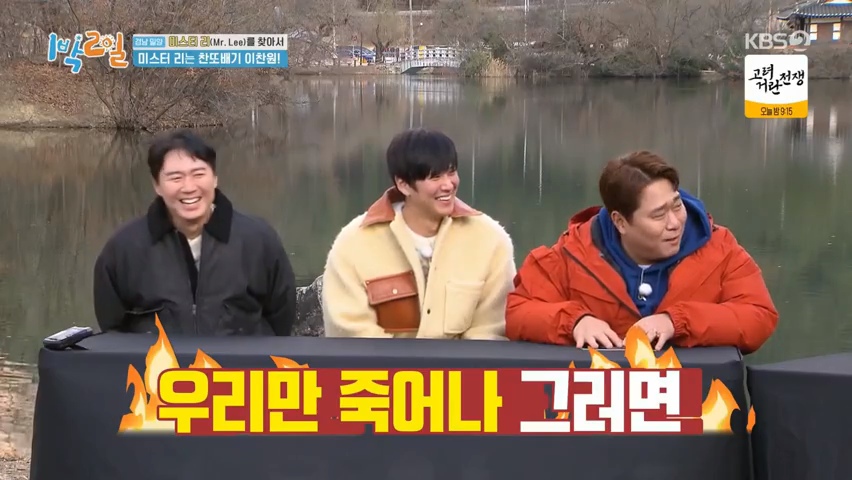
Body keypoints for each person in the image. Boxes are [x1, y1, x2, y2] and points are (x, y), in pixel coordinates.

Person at [505, 151, 778, 354]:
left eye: (677, 205)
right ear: (621, 222)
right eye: (658, 215)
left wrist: (676, 322)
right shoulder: (571, 254)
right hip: (598, 400)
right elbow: (519, 312)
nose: (675, 222)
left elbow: (758, 316)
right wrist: (575, 322)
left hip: (693, 400)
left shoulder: (721, 249)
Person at [93, 129, 297, 336]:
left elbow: (281, 319)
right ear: (157, 185)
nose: (189, 187)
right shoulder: (125, 249)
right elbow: (112, 328)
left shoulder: (258, 240)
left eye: (199, 174)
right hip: (159, 358)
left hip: (238, 358)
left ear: (215, 178)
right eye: (175, 178)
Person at [321, 128, 516, 339]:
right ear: (403, 185)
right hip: (381, 362)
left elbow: (491, 329)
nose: (448, 185)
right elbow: (350, 329)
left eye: (451, 172)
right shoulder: (353, 244)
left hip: (466, 362)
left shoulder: (490, 240)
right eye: (435, 177)